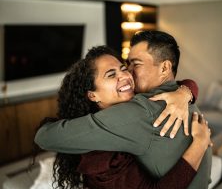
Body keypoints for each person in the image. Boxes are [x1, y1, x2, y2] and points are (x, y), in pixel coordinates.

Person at [35, 31, 212, 189]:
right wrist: (186, 91)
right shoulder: (182, 101)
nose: (128, 73)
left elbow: (45, 136)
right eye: (127, 65)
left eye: (136, 64)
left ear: (165, 67)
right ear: (92, 95)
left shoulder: (140, 112)